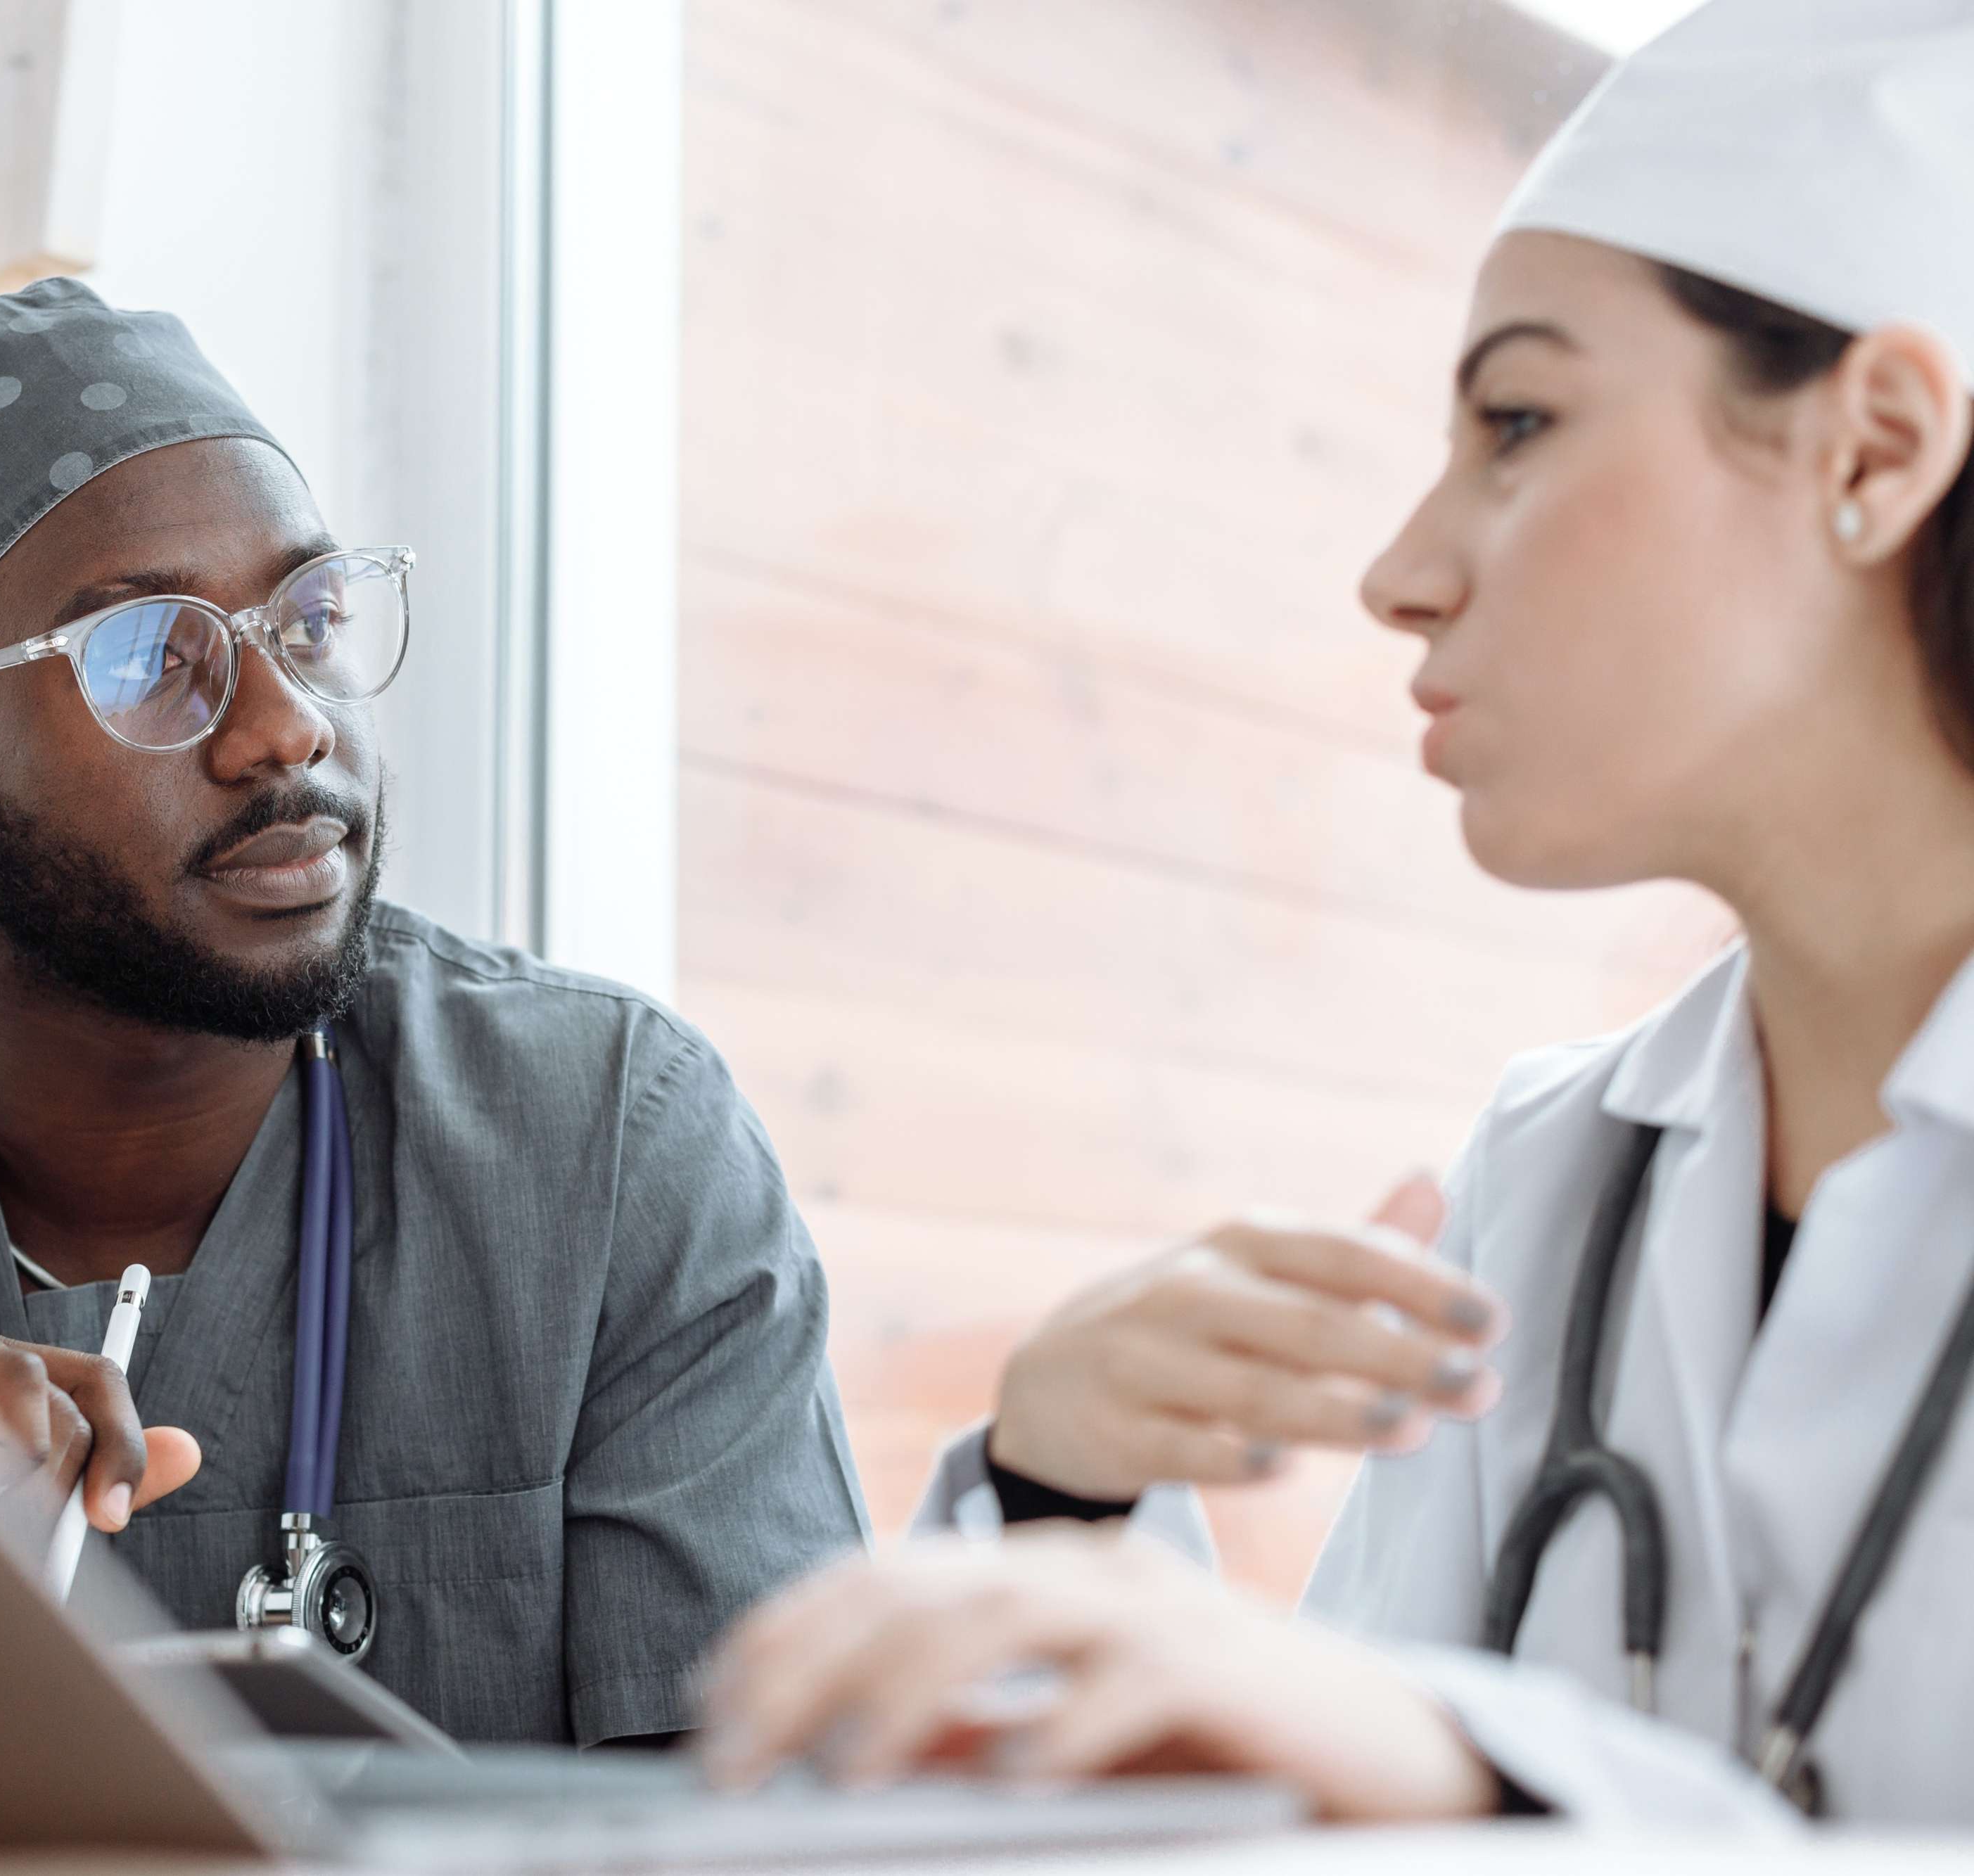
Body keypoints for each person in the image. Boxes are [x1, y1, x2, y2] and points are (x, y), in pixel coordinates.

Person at [701, 0, 1974, 1827]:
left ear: (1874, 450)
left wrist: (1489, 1773)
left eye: (1519, 419)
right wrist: (1068, 1501)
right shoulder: (1560, 1177)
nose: (1402, 571)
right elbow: (1336, 1800)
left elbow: (1446, 1777)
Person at [0, 280, 867, 1745]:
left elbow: (770, 1825)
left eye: (310, 613)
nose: (287, 723)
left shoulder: (604, 1148)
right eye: (148, 653)